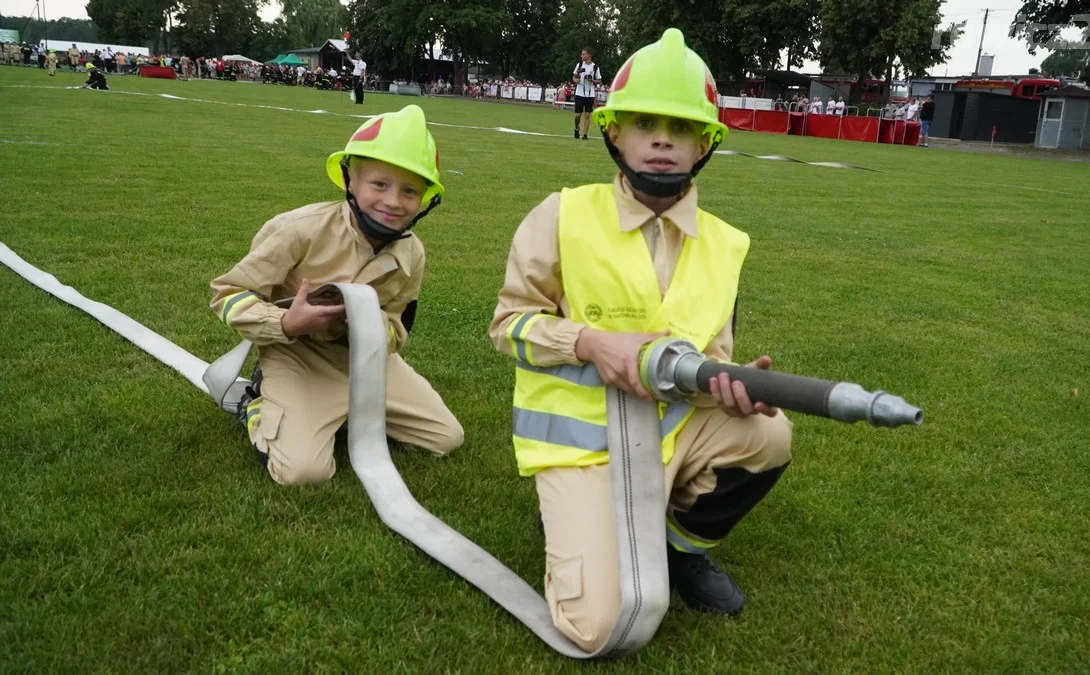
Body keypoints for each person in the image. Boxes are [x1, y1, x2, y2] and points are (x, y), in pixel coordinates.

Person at [489, 28, 792, 651]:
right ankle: (580, 514)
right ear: (612, 132)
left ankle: (682, 548)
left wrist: (727, 389)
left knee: (770, 434)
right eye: (645, 123)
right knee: (599, 627)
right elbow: (508, 327)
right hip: (582, 447)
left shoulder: (725, 244)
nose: (662, 139)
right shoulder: (562, 214)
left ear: (705, 144)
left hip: (671, 431)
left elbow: (713, 357)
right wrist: (590, 343)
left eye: (681, 128)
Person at [208, 107, 464, 485]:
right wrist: (285, 322)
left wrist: (367, 324)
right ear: (349, 179)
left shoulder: (413, 253)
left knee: (446, 438)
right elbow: (228, 293)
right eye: (380, 184)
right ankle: (259, 404)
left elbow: (398, 326)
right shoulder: (299, 230)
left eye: (410, 190)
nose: (394, 201)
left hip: (368, 361)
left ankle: (338, 410)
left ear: (425, 198)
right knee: (304, 473)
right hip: (299, 358)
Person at [572, 48, 602, 140]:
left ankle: (585, 135)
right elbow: (574, 77)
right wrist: (576, 80)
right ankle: (576, 128)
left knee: (587, 115)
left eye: (583, 54)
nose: (582, 56)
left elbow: (599, 81)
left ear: (589, 55)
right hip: (580, 92)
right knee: (577, 115)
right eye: (582, 54)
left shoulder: (595, 67)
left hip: (590, 94)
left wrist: (592, 80)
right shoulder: (579, 65)